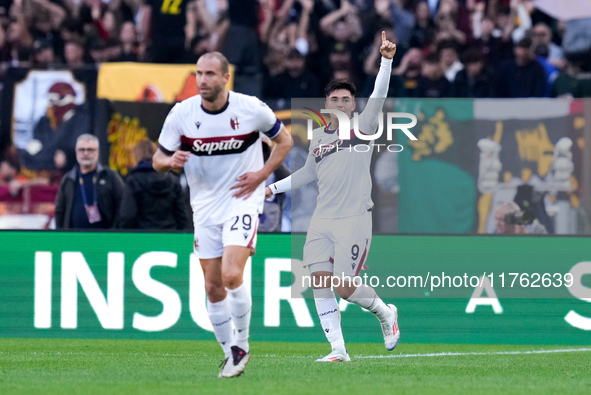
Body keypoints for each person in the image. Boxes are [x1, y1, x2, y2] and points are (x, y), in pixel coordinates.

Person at [152, 52, 291, 378]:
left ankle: (241, 344)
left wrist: (262, 175)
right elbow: (159, 156)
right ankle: (230, 352)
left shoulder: (251, 109)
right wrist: (169, 163)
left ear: (226, 78)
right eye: (199, 73)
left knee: (231, 275)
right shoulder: (181, 114)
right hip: (204, 208)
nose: (203, 80)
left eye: (211, 74)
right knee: (213, 288)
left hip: (243, 200)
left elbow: (284, 141)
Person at [266, 32, 400, 362]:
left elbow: (379, 95)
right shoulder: (318, 137)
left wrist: (386, 61)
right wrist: (272, 187)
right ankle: (338, 349)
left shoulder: (364, 126)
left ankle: (386, 313)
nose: (340, 103)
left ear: (352, 105)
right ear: (327, 105)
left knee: (343, 286)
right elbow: (308, 174)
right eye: (335, 99)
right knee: (319, 282)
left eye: (346, 100)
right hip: (322, 219)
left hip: (354, 217)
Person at [54, 134, 124, 229]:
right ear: (76, 152)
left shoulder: (110, 176)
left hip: (104, 239)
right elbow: (60, 211)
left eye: (90, 150)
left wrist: (114, 231)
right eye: (81, 150)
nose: (85, 153)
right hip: (74, 239)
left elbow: (122, 205)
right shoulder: (68, 179)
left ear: (98, 152)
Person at [119, 140, 189, 230]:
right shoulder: (172, 180)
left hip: (142, 238)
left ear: (136, 156)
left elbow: (127, 216)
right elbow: (182, 215)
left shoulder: (133, 181)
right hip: (170, 237)